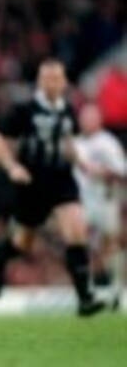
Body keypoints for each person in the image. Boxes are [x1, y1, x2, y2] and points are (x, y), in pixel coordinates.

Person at [0, 59, 105, 317]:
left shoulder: (68, 110)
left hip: (62, 180)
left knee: (76, 231)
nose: (51, 83)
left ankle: (85, 297)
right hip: (32, 184)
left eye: (56, 78)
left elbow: (68, 143)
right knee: (22, 243)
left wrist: (82, 163)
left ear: (64, 82)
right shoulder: (24, 109)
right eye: (46, 78)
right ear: (39, 81)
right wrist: (11, 166)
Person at [73, 103, 126, 310]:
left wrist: (102, 172)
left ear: (99, 120)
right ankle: (86, 290)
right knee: (81, 246)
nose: (86, 122)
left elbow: (122, 172)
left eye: (91, 117)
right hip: (81, 202)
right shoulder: (75, 144)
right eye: (84, 118)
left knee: (110, 245)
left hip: (104, 201)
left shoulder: (108, 143)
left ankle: (116, 288)